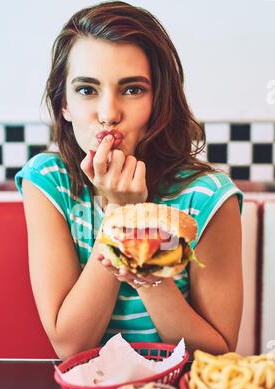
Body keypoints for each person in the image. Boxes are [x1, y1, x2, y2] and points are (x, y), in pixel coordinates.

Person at [15, 1, 244, 360]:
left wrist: (138, 232)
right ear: (64, 104)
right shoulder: (48, 181)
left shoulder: (208, 197)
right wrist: (119, 212)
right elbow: (71, 345)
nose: (108, 114)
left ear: (158, 100)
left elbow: (217, 353)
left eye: (133, 89)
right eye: (87, 90)